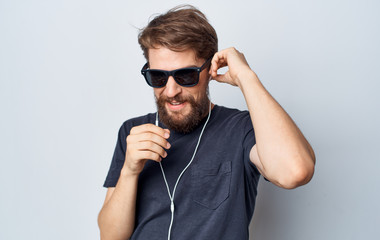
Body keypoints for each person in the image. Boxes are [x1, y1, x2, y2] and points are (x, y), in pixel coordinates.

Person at [98, 5, 315, 240]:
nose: (171, 91)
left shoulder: (241, 129)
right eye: (158, 77)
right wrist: (130, 171)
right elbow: (110, 237)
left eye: (185, 75)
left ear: (210, 69)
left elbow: (295, 171)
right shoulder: (132, 133)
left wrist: (246, 77)